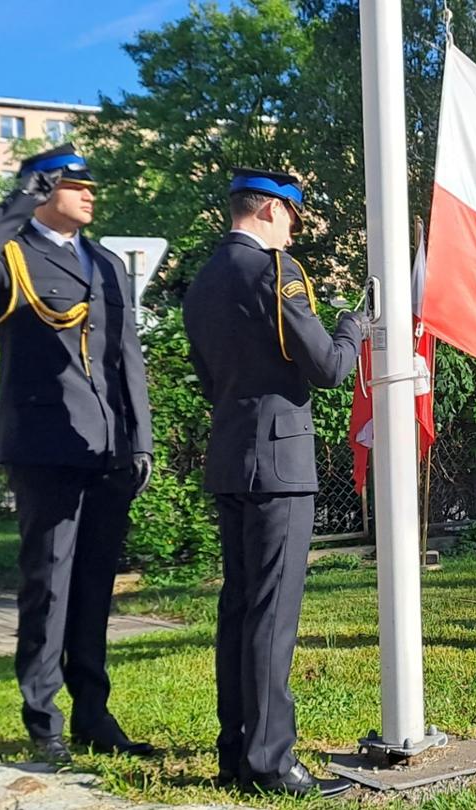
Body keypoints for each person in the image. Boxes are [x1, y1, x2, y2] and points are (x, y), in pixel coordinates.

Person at [0, 144, 155, 763]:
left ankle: (93, 714)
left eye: (93, 186)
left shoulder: (107, 263)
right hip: (45, 447)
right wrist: (22, 199)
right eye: (76, 186)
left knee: (94, 585)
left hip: (106, 445)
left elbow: (127, 359)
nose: (91, 194)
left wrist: (139, 438)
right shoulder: (11, 254)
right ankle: (44, 721)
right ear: (45, 191)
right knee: (49, 584)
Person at [183, 167, 367, 798]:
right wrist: (353, 328)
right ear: (267, 212)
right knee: (271, 615)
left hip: (232, 456)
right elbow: (329, 368)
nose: (294, 227)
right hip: (280, 466)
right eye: (291, 215)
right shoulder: (275, 272)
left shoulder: (203, 280)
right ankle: (270, 763)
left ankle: (235, 749)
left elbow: (211, 378)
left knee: (237, 610)